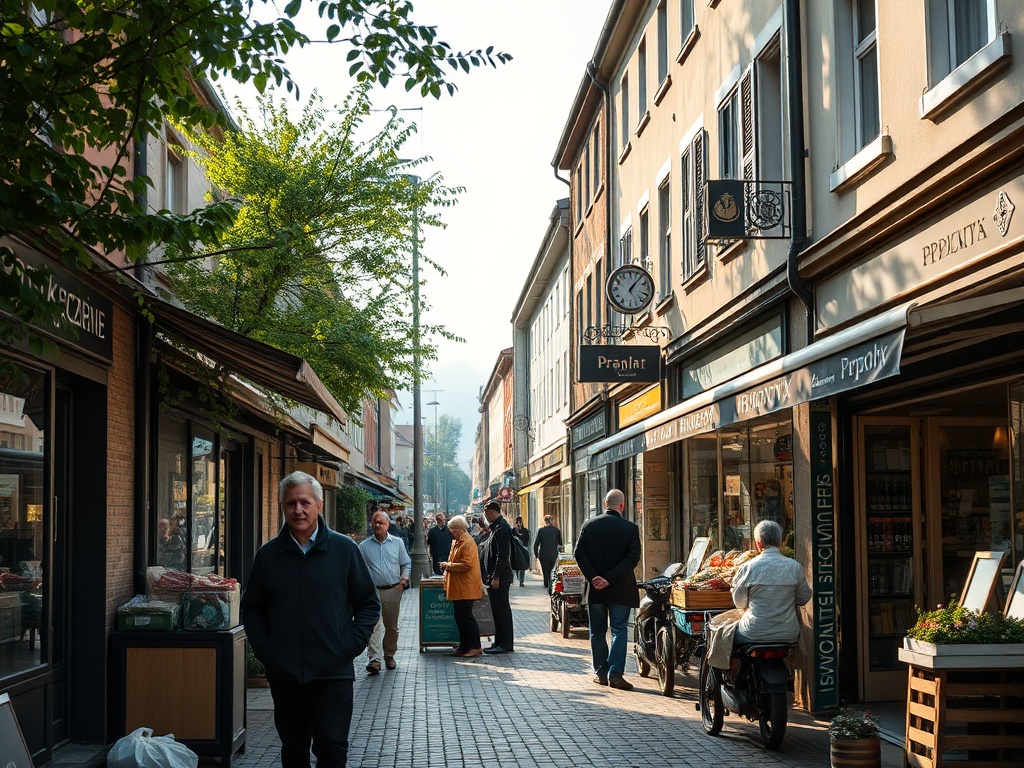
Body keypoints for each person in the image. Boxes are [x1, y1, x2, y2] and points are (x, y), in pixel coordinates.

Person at [241, 471, 380, 768]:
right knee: (293, 749)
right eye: (291, 503)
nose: (298, 510)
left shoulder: (344, 550)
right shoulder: (268, 555)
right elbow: (251, 608)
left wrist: (347, 647)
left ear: (319, 505)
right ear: (283, 507)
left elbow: (368, 603)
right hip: (286, 674)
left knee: (332, 748)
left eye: (304, 502)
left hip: (333, 672)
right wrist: (267, 650)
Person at [706, 519, 812, 670]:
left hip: (753, 632)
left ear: (758, 543)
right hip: (788, 633)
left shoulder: (748, 567)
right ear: (780, 542)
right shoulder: (794, 567)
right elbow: (803, 598)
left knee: (721, 634)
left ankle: (734, 676)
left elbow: (740, 603)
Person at [573, 489, 641, 691]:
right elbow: (633, 557)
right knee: (619, 630)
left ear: (605, 503)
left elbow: (579, 553)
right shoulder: (630, 528)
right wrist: (610, 579)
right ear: (622, 506)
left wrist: (594, 577)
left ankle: (601, 673)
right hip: (621, 588)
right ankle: (616, 674)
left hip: (596, 590)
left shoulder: (589, 525)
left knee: (597, 632)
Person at [358, 510, 412, 674]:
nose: (377, 525)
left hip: (392, 590)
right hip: (372, 592)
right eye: (375, 522)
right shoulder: (364, 546)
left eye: (381, 522)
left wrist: (403, 581)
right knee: (374, 625)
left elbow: (406, 563)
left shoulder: (397, 543)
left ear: (388, 525)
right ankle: (374, 660)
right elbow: (360, 569)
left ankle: (389, 655)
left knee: (391, 626)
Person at [438, 514, 483, 658]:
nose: (452, 532)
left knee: (466, 617)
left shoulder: (467, 542)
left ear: (460, 528)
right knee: (460, 617)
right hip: (459, 587)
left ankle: (475, 646)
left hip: (466, 587)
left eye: (454, 530)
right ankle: (464, 646)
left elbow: (467, 564)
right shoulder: (458, 541)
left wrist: (448, 566)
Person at [479, 501, 514, 654]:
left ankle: (505, 643)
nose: (486, 516)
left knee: (502, 609)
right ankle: (499, 641)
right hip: (495, 575)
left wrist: (496, 576)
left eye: (487, 513)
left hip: (500, 576)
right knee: (497, 610)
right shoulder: (496, 528)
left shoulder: (502, 528)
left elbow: (503, 555)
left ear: (493, 512)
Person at [534, 514, 563, 590]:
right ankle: (551, 583)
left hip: (543, 554)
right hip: (553, 554)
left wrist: (536, 554)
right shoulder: (557, 531)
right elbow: (560, 544)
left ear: (544, 521)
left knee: (545, 570)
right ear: (552, 521)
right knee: (552, 570)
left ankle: (546, 583)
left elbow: (536, 544)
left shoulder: (541, 531)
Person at [426, 512, 454, 576]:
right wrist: (430, 554)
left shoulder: (448, 530)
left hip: (447, 555)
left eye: (444, 519)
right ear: (437, 520)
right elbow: (429, 543)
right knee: (438, 572)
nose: (443, 521)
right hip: (437, 556)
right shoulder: (432, 531)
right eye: (440, 520)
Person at [510, 516, 531, 587]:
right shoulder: (513, 531)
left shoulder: (525, 531)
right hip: (515, 551)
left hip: (523, 550)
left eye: (520, 522)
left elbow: (526, 540)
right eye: (517, 522)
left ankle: (521, 581)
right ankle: (517, 579)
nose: (518, 524)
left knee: (522, 566)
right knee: (516, 566)